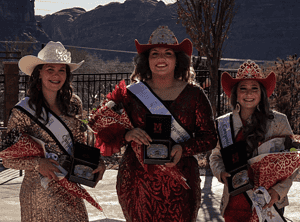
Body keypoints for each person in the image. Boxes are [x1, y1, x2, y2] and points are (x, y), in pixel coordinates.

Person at [89, 25, 217, 222]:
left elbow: (209, 138)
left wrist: (183, 148)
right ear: (146, 60)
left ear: (177, 60)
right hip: (137, 183)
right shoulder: (132, 94)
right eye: (154, 53)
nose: (161, 59)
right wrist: (127, 135)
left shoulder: (195, 95)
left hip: (181, 183)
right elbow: (101, 125)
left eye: (168, 53)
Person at [1, 41, 105, 222]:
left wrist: (97, 161)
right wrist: (37, 163)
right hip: (39, 192)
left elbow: (80, 143)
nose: (56, 75)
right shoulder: (22, 111)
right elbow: (7, 158)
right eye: (50, 69)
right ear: (39, 73)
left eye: (61, 70)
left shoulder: (74, 104)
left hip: (70, 186)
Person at [209, 60, 299, 221]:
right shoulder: (224, 124)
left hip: (269, 202)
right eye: (243, 88)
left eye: (254, 88)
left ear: (262, 93)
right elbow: (215, 156)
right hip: (234, 203)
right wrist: (221, 173)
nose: (248, 93)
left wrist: (279, 191)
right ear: (235, 93)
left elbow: (292, 162)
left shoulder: (278, 121)